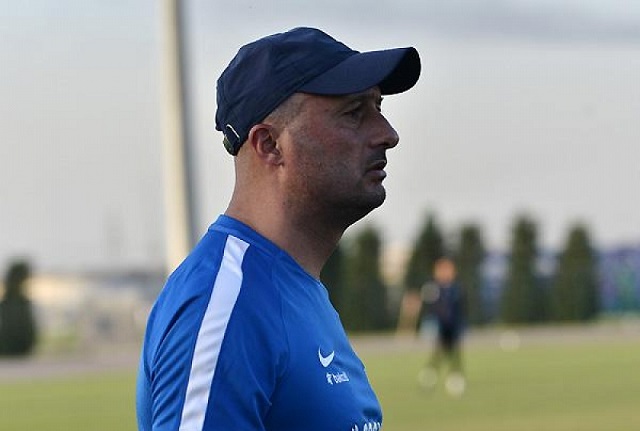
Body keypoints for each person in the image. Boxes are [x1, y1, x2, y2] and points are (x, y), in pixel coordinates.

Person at [136, 27, 421, 431]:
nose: (387, 134)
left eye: (378, 106)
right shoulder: (227, 304)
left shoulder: (293, 287)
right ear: (269, 144)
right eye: (354, 113)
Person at [418, 256, 466, 396]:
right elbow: (430, 308)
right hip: (439, 327)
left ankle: (455, 380)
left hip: (453, 327)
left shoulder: (457, 289)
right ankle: (429, 378)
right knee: (437, 354)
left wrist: (461, 326)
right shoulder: (432, 288)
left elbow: (461, 310)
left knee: (454, 354)